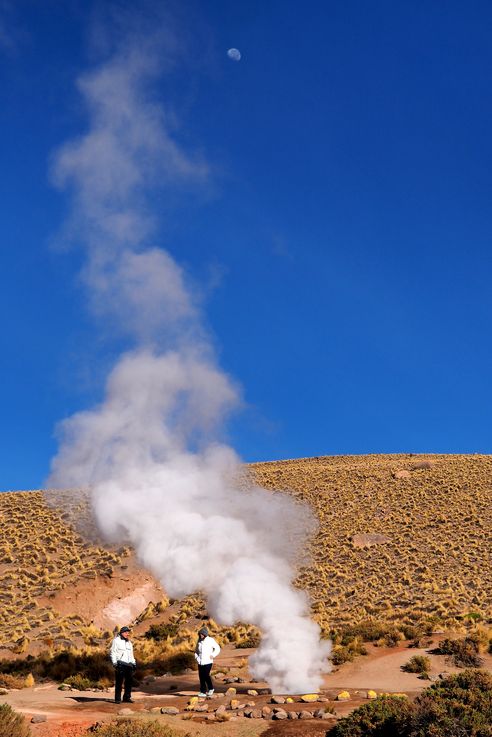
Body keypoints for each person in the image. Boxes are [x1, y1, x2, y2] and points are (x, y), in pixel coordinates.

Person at [110, 626, 136, 704]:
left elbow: (131, 654)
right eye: (126, 632)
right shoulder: (116, 641)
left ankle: (127, 698)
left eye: (128, 632)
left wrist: (134, 663)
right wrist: (114, 663)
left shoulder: (129, 642)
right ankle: (117, 699)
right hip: (120, 663)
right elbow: (113, 652)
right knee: (119, 682)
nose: (127, 634)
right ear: (122, 633)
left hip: (129, 664)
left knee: (129, 682)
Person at [194, 626, 221, 697]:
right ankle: (203, 692)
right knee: (201, 677)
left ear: (205, 634)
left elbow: (217, 648)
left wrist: (213, 655)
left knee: (206, 675)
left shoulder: (210, 640)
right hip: (200, 662)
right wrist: (197, 658)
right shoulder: (199, 641)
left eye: (202, 634)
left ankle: (211, 688)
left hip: (208, 661)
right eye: (200, 634)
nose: (200, 635)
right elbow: (196, 651)